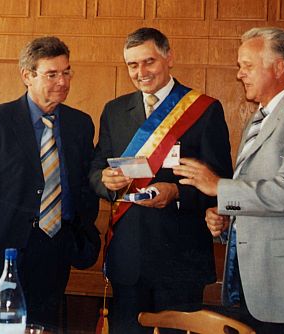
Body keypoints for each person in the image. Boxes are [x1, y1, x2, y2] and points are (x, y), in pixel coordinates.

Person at [173, 27, 284, 333]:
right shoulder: (261, 119)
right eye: (239, 66)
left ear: (278, 67)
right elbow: (263, 198)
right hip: (260, 286)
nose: (239, 74)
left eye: (247, 65)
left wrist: (219, 188)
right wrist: (227, 218)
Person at [0, 36, 101, 330]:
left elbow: (84, 187)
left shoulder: (80, 124)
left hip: (55, 255)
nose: (62, 81)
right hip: (1, 259)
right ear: (27, 76)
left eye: (67, 72)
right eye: (52, 74)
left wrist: (82, 237)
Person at [89, 27, 233, 333]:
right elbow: (95, 167)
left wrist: (177, 193)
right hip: (127, 260)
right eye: (132, 65)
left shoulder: (204, 110)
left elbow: (222, 183)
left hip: (180, 260)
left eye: (149, 61)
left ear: (168, 58)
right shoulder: (114, 111)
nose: (141, 72)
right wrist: (106, 181)